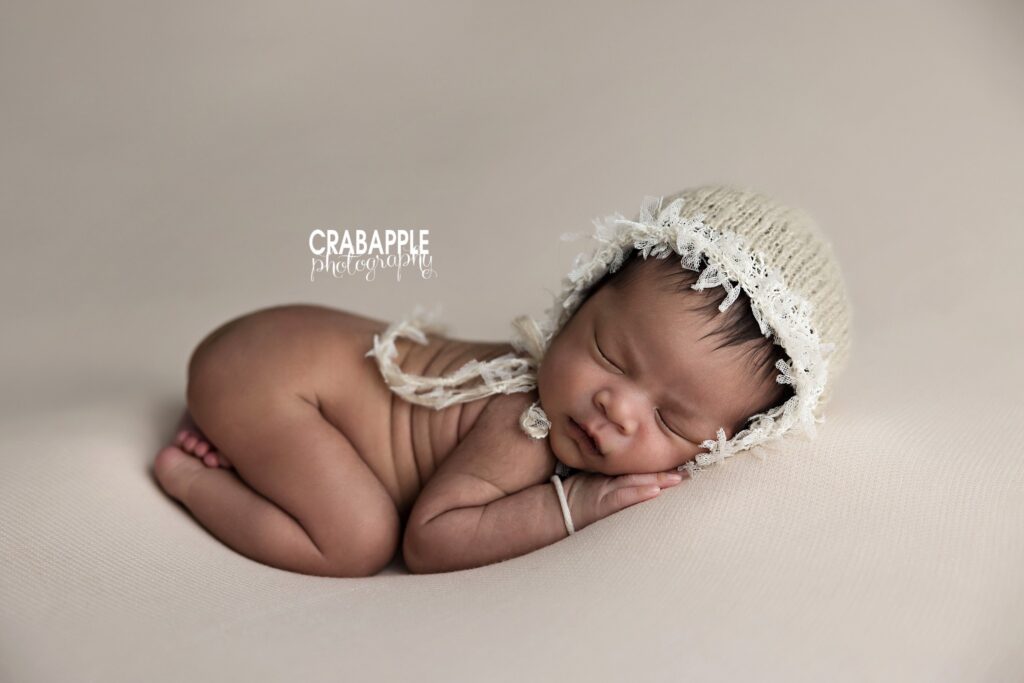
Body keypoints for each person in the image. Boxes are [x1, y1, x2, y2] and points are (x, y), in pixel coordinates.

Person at [153, 185, 852, 576]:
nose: (617, 407)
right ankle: (190, 476)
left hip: (280, 349)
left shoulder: (572, 399)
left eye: (671, 421)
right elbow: (431, 538)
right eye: (609, 356)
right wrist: (573, 505)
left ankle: (244, 443)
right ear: (574, 305)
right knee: (357, 540)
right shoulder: (525, 423)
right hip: (270, 377)